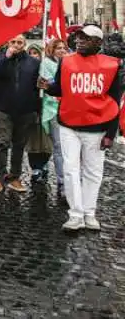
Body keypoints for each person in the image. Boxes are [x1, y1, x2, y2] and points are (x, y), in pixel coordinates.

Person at [40, 25, 123, 231]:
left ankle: (89, 212)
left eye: (86, 38)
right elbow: (60, 87)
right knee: (70, 169)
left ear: (98, 42)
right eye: (78, 38)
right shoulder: (66, 61)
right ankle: (75, 214)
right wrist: (48, 86)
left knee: (93, 172)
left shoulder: (112, 65)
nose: (79, 41)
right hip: (69, 124)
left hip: (97, 127)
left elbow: (114, 102)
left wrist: (110, 134)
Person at [0, 34, 40, 193]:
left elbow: (38, 87)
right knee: (2, 144)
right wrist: (6, 57)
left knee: (19, 145)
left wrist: (37, 109)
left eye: (19, 42)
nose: (16, 45)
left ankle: (14, 177)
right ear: (8, 43)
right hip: (4, 109)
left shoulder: (34, 62)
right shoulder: (1, 58)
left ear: (24, 44)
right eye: (13, 42)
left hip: (26, 110)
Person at [40, 38, 69, 199]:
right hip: (53, 109)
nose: (62, 51)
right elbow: (47, 84)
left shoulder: (70, 63)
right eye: (58, 48)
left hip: (69, 110)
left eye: (64, 48)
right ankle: (62, 182)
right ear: (52, 49)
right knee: (59, 147)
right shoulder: (46, 64)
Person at [24, 43, 52, 182]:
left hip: (47, 109)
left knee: (47, 141)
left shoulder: (46, 69)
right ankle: (35, 168)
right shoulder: (25, 70)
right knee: (33, 141)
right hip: (32, 109)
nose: (33, 56)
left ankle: (44, 163)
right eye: (30, 53)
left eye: (36, 53)